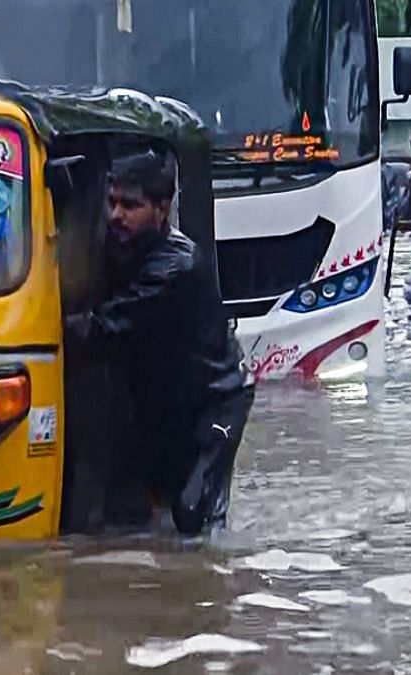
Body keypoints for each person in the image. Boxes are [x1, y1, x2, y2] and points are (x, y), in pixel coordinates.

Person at [62, 149, 254, 537]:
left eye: (130, 206)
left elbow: (104, 328)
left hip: (217, 402)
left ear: (163, 209)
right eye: (112, 202)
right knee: (136, 511)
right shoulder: (121, 248)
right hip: (166, 408)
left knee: (192, 515)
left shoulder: (175, 268)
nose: (117, 215)